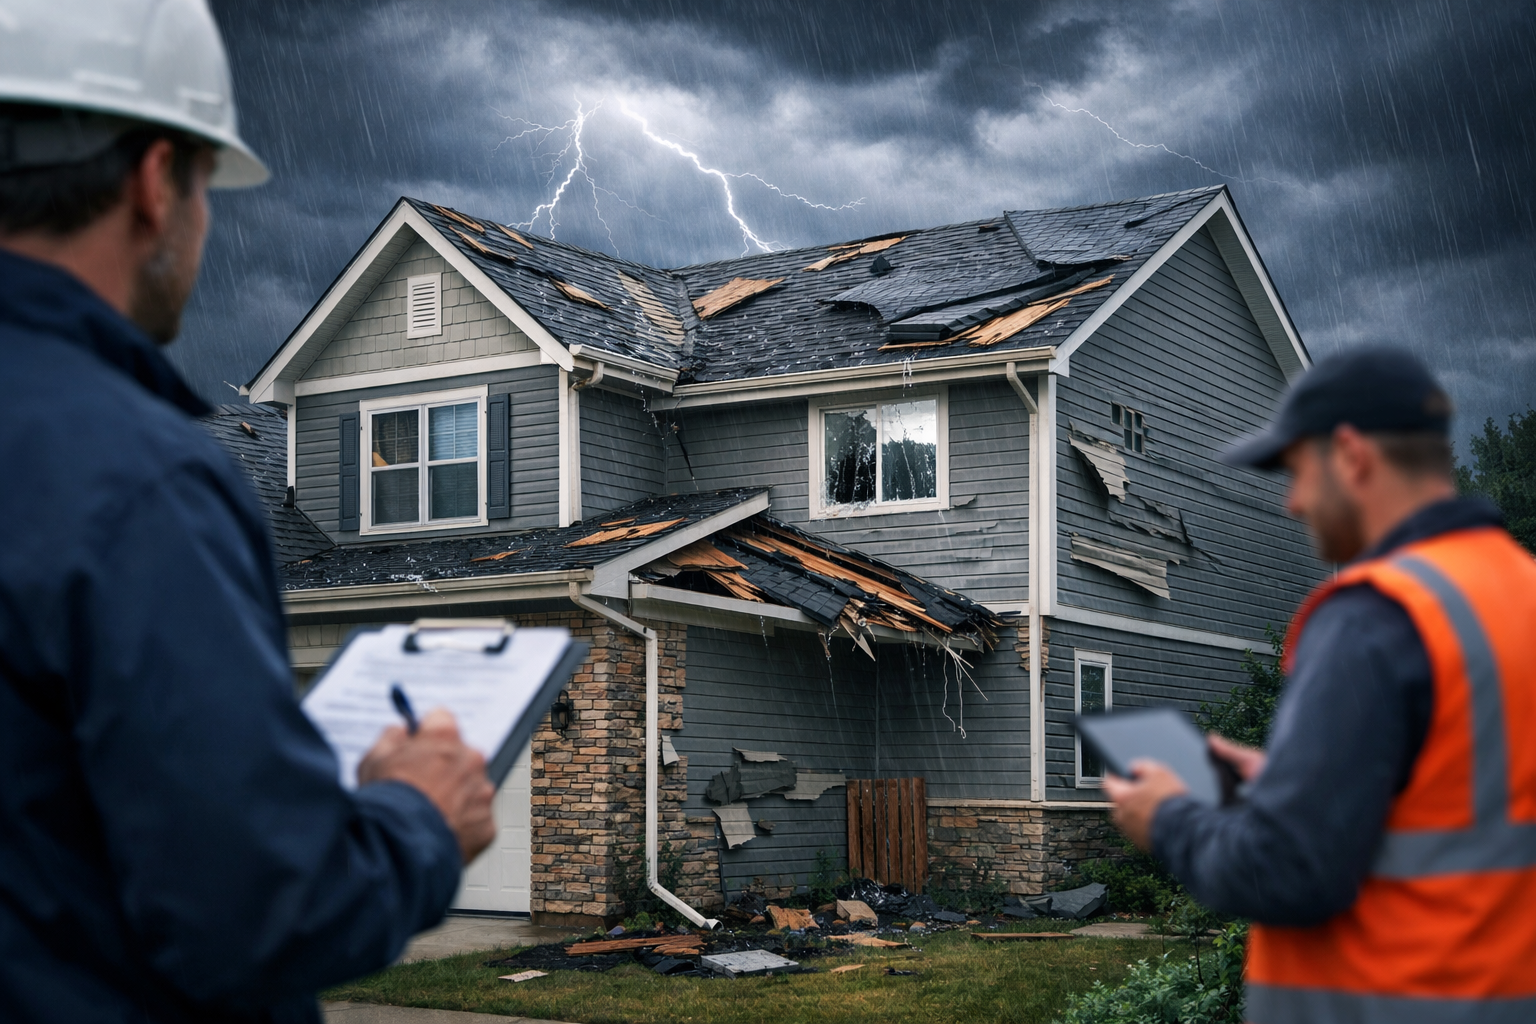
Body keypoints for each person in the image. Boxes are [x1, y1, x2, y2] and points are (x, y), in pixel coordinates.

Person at [0, 2, 495, 1021]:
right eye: (205, 187)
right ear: (155, 182)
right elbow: (259, 908)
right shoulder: (134, 479)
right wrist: (417, 815)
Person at [1104, 346, 1536, 1022]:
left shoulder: (1373, 616)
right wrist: (1291, 781)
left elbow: (1286, 870)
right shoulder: (1516, 589)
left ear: (1353, 456)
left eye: (1299, 472)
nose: (1293, 503)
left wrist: (1167, 819)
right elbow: (1464, 802)